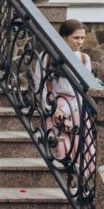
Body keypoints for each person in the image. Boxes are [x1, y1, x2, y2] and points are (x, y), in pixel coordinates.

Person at [34, 19, 93, 160]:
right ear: (63, 37)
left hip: (76, 107)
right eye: (76, 38)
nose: (80, 42)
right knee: (61, 148)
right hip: (53, 106)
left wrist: (65, 111)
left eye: (83, 38)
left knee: (81, 148)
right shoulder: (46, 57)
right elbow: (39, 84)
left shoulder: (84, 59)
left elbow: (83, 91)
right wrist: (53, 110)